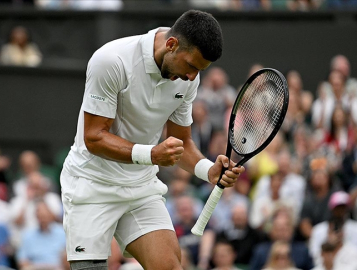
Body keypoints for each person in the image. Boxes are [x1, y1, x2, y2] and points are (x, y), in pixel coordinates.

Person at [60, 10, 245, 270]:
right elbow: (94, 138)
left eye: (199, 71)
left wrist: (208, 170)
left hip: (140, 186)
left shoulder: (188, 79)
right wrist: (151, 155)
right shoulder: (111, 60)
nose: (192, 77)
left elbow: (182, 141)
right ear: (171, 45)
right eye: (191, 66)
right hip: (91, 184)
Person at [16, 200, 66, 270]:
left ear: (50, 215)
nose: (43, 219)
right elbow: (22, 259)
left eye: (45, 216)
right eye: (40, 216)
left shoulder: (62, 232)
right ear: (36, 217)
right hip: (35, 267)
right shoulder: (28, 235)